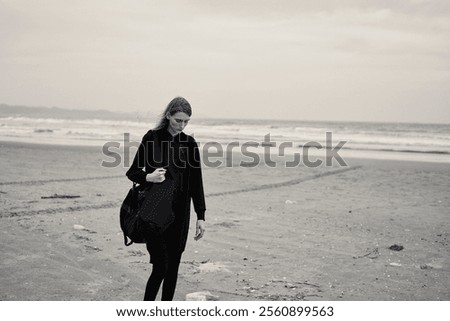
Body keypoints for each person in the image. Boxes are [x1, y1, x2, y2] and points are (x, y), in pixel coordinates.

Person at [126, 97, 206, 301]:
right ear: (169, 115)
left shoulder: (189, 143)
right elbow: (133, 172)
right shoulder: (152, 138)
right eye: (178, 120)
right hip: (155, 212)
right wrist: (149, 177)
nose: (182, 125)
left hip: (180, 214)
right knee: (161, 267)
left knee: (173, 270)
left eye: (186, 121)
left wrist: (201, 215)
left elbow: (197, 182)